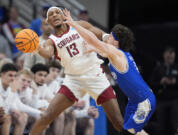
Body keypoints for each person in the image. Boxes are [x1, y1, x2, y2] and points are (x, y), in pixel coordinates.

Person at [29, 7, 123, 135]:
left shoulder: (78, 25)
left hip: (95, 76)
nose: (55, 15)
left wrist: (107, 38)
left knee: (118, 121)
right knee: (47, 116)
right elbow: (47, 53)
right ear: (48, 21)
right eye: (51, 14)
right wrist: (36, 46)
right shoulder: (51, 41)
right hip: (73, 80)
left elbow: (97, 32)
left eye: (58, 12)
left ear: (63, 16)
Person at [62, 9, 156, 135]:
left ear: (116, 41)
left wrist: (73, 24)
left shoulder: (116, 53)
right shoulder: (116, 52)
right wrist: (93, 47)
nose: (108, 36)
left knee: (127, 133)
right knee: (133, 132)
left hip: (143, 101)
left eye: (111, 36)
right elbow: (99, 43)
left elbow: (93, 40)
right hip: (135, 100)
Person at [150, 46, 178, 135]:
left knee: (176, 124)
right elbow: (151, 83)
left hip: (175, 99)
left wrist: (175, 82)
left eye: (172, 54)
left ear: (174, 56)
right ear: (164, 55)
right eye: (168, 54)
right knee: (160, 126)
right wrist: (161, 82)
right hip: (161, 99)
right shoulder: (158, 68)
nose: (170, 56)